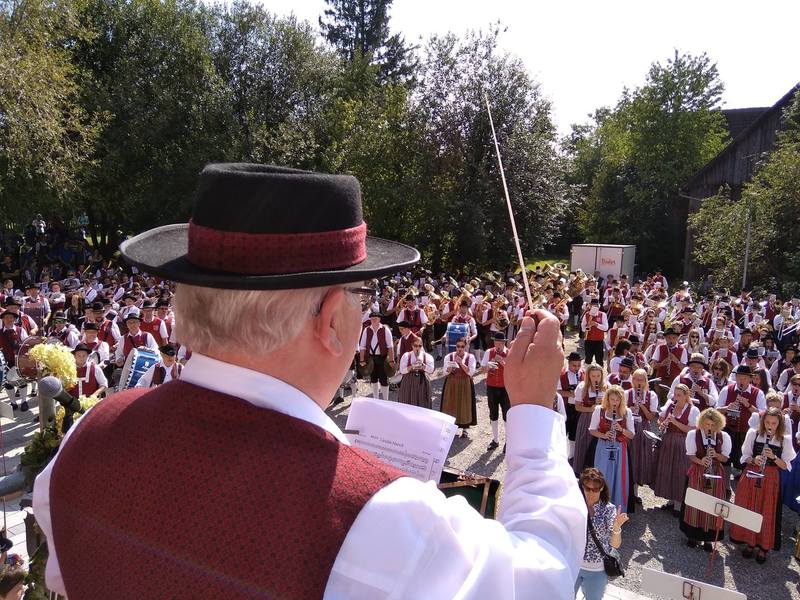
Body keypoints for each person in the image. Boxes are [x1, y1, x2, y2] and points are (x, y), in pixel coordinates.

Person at [34, 162, 585, 598]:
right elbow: (543, 574)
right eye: (362, 299)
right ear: (329, 321)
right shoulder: (381, 520)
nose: (365, 314)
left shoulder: (82, 445)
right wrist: (535, 417)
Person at [729, 407, 796, 563]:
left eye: (773, 423)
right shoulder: (754, 434)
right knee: (750, 507)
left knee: (766, 510)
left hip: (771, 476)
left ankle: (763, 546)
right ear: (762, 421)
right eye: (767, 422)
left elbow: (786, 466)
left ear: (779, 424)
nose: (770, 426)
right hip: (752, 474)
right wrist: (753, 460)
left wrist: (773, 456)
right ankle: (750, 542)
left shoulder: (783, 439)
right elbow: (744, 456)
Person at [679, 408, 731, 551]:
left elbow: (725, 458)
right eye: (707, 424)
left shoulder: (723, 436)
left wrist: (716, 455)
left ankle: (709, 539)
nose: (710, 428)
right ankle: (693, 535)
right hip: (698, 471)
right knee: (696, 502)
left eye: (713, 425)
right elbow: (690, 455)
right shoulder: (693, 434)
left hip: (715, 472)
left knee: (713, 504)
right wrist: (701, 461)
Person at [575, 468, 629, 600]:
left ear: (602, 488)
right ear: (582, 487)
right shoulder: (574, 505)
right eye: (587, 489)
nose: (591, 493)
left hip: (596, 569)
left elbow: (615, 544)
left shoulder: (608, 509)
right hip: (573, 564)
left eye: (595, 489)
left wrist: (616, 528)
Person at [587, 386, 635, 513]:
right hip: (602, 447)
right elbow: (592, 430)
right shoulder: (599, 410)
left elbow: (632, 434)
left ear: (621, 400)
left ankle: (616, 508)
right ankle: (598, 507)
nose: (614, 402)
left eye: (617, 400)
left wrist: (621, 429)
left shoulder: (627, 412)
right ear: (607, 399)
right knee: (602, 475)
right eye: (612, 399)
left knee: (618, 478)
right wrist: (604, 435)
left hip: (620, 448)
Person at [654, 383, 700, 515]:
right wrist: (662, 424)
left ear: (686, 396)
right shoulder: (670, 405)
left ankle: (679, 505)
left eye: (679, 395)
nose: (676, 397)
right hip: (668, 440)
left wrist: (675, 423)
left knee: (679, 471)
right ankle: (670, 501)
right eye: (675, 394)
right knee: (668, 469)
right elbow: (660, 419)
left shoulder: (693, 410)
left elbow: (693, 430)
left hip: (682, 442)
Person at [717, 364, 766, 470]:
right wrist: (727, 408)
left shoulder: (758, 393)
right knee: (725, 460)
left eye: (744, 378)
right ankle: (725, 485)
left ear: (750, 379)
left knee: (742, 462)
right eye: (739, 378)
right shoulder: (727, 390)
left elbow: (763, 414)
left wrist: (748, 405)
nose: (741, 381)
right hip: (728, 430)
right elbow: (716, 410)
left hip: (746, 432)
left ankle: (740, 483)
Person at [626, 368, 658, 501]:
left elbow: (650, 417)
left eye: (641, 380)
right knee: (629, 457)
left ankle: (635, 493)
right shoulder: (627, 393)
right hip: (629, 427)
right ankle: (626, 490)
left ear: (645, 381)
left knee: (639, 458)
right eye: (636, 379)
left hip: (643, 428)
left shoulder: (652, 395)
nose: (638, 382)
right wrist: (630, 409)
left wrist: (642, 405)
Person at [573, 364, 607, 476]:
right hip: (587, 418)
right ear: (588, 376)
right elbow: (577, 407)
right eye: (593, 376)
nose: (596, 378)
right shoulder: (582, 387)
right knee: (584, 443)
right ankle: (582, 472)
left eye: (598, 376)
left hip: (602, 419)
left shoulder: (606, 387)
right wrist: (590, 408)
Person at [441, 337, 478, 438]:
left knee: (464, 404)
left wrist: (461, 363)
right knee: (450, 404)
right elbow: (444, 372)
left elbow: (471, 372)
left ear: (466, 347)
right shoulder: (449, 356)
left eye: (462, 346)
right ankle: (450, 428)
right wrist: (449, 369)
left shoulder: (470, 357)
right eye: (458, 346)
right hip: (451, 382)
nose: (460, 349)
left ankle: (465, 429)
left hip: (464, 383)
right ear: (455, 346)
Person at [481, 332, 510, 451]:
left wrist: (502, 361)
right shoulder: (489, 352)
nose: (498, 345)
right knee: (493, 413)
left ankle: (508, 442)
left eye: (500, 343)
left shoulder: (509, 353)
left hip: (505, 388)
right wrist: (489, 364)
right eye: (496, 342)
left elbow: (512, 370)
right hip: (492, 387)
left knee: (506, 415)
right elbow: (483, 370)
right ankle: (495, 440)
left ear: (504, 343)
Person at [358, 312, 395, 401]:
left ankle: (386, 400)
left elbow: (390, 347)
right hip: (371, 358)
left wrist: (391, 360)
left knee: (384, 380)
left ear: (379, 319)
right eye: (372, 318)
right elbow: (362, 346)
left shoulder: (385, 330)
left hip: (383, 358)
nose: (373, 320)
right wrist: (362, 359)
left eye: (375, 318)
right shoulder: (366, 330)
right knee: (373, 379)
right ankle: (376, 399)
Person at [0, 310, 28, 411]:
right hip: (5, 363)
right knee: (8, 384)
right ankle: (13, 403)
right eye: (6, 318)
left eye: (11, 317)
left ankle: (24, 401)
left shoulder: (20, 330)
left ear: (14, 319)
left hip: (19, 362)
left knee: (22, 382)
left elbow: (27, 345)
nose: (9, 320)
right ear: (3, 319)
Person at [558, 351, 584, 459]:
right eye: (574, 365)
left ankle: (572, 455)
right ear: (568, 363)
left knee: (574, 432)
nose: (577, 368)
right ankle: (561, 454)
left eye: (578, 365)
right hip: (566, 406)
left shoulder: (583, 373)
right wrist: (570, 393)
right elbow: (557, 392)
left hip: (578, 407)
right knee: (563, 430)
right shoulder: (562, 374)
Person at [397, 337, 433, 408]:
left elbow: (431, 370)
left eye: (420, 346)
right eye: (415, 345)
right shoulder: (406, 355)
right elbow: (402, 370)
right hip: (408, 382)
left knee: (422, 402)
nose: (418, 348)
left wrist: (423, 365)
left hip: (422, 382)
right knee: (407, 401)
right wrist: (412, 366)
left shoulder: (427, 356)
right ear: (412, 345)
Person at [581, 299, 608, 366]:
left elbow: (606, 328)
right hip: (588, 340)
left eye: (596, 305)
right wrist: (587, 327)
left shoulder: (603, 314)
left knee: (599, 360)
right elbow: (583, 327)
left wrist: (596, 324)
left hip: (599, 341)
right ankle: (587, 374)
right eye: (593, 305)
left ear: (598, 306)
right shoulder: (586, 314)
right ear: (590, 306)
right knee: (588, 359)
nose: (594, 307)